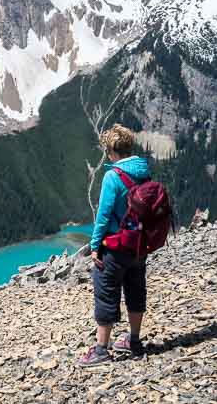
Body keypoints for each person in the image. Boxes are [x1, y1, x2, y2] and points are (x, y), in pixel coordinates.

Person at [78, 124, 150, 367]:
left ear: (111, 152)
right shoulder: (143, 171)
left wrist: (95, 245)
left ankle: (101, 350)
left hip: (115, 246)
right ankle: (135, 341)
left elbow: (104, 214)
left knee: (107, 293)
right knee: (136, 290)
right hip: (139, 245)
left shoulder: (113, 176)